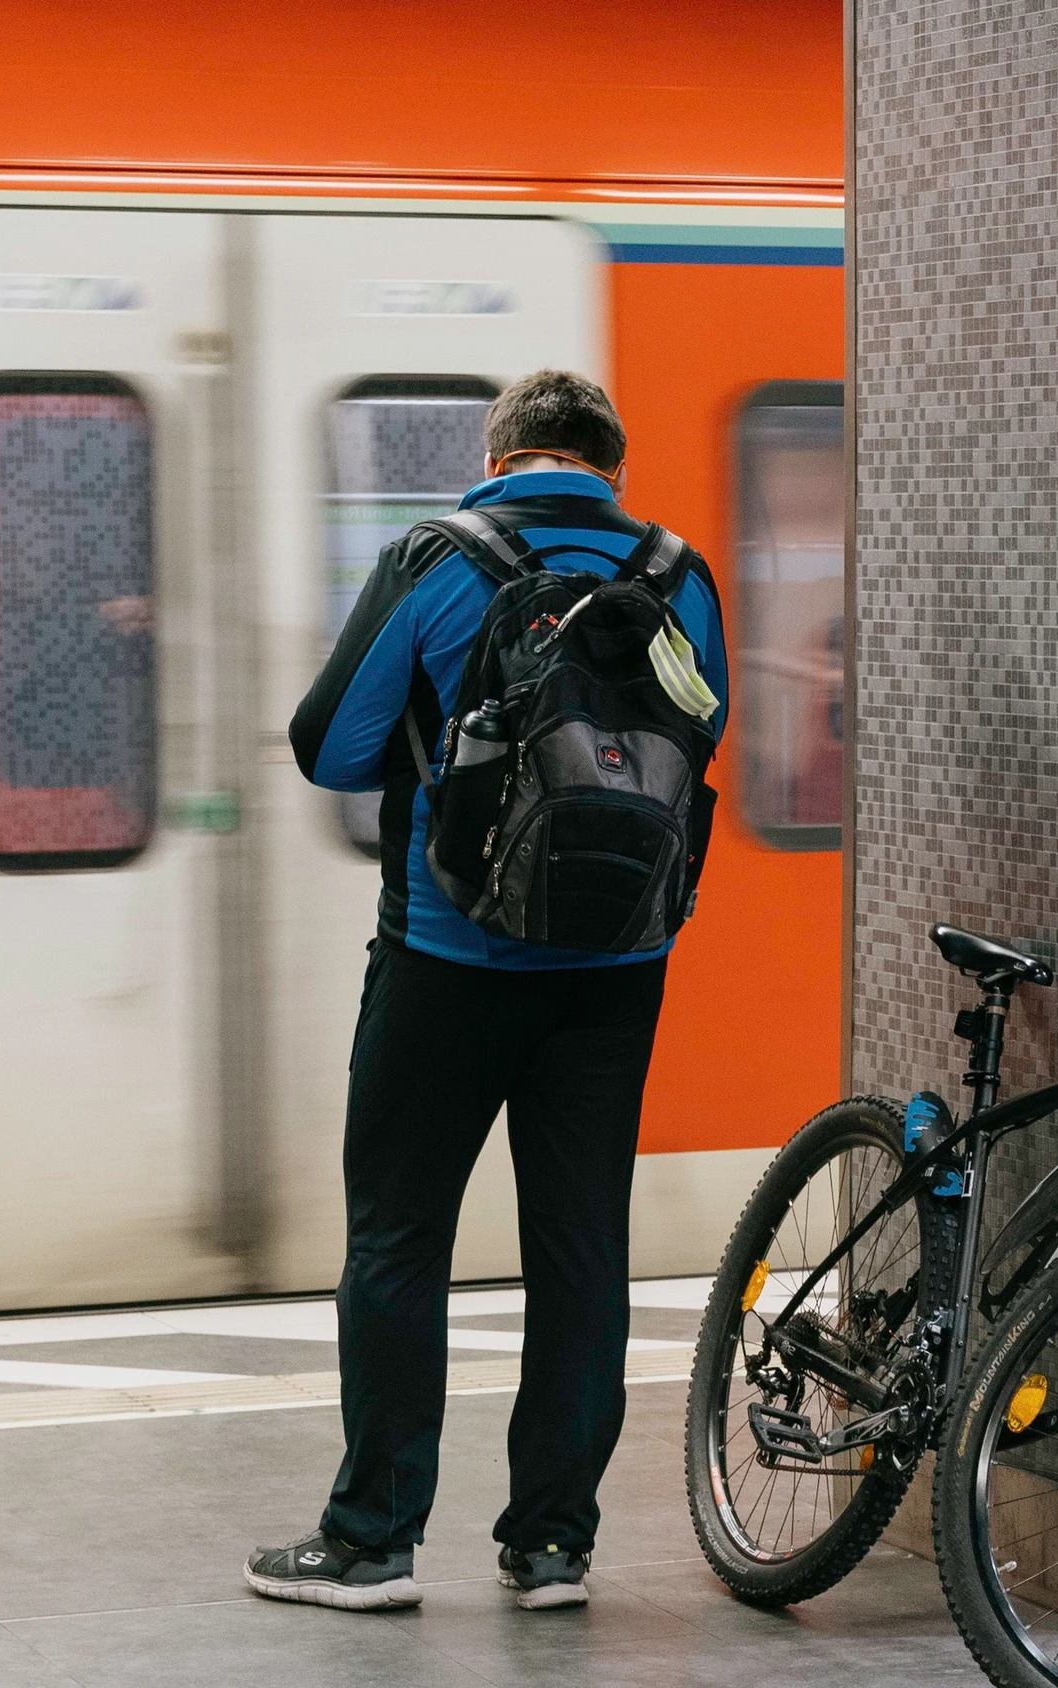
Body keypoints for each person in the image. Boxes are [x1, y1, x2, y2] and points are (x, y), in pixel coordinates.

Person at [251, 371, 727, 1614]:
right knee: (582, 1248)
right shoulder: (681, 576)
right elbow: (696, 745)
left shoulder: (439, 558)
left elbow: (328, 748)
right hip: (616, 973)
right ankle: (553, 1544)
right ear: (611, 465)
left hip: (446, 959)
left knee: (399, 1239)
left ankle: (373, 1540)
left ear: (499, 454)